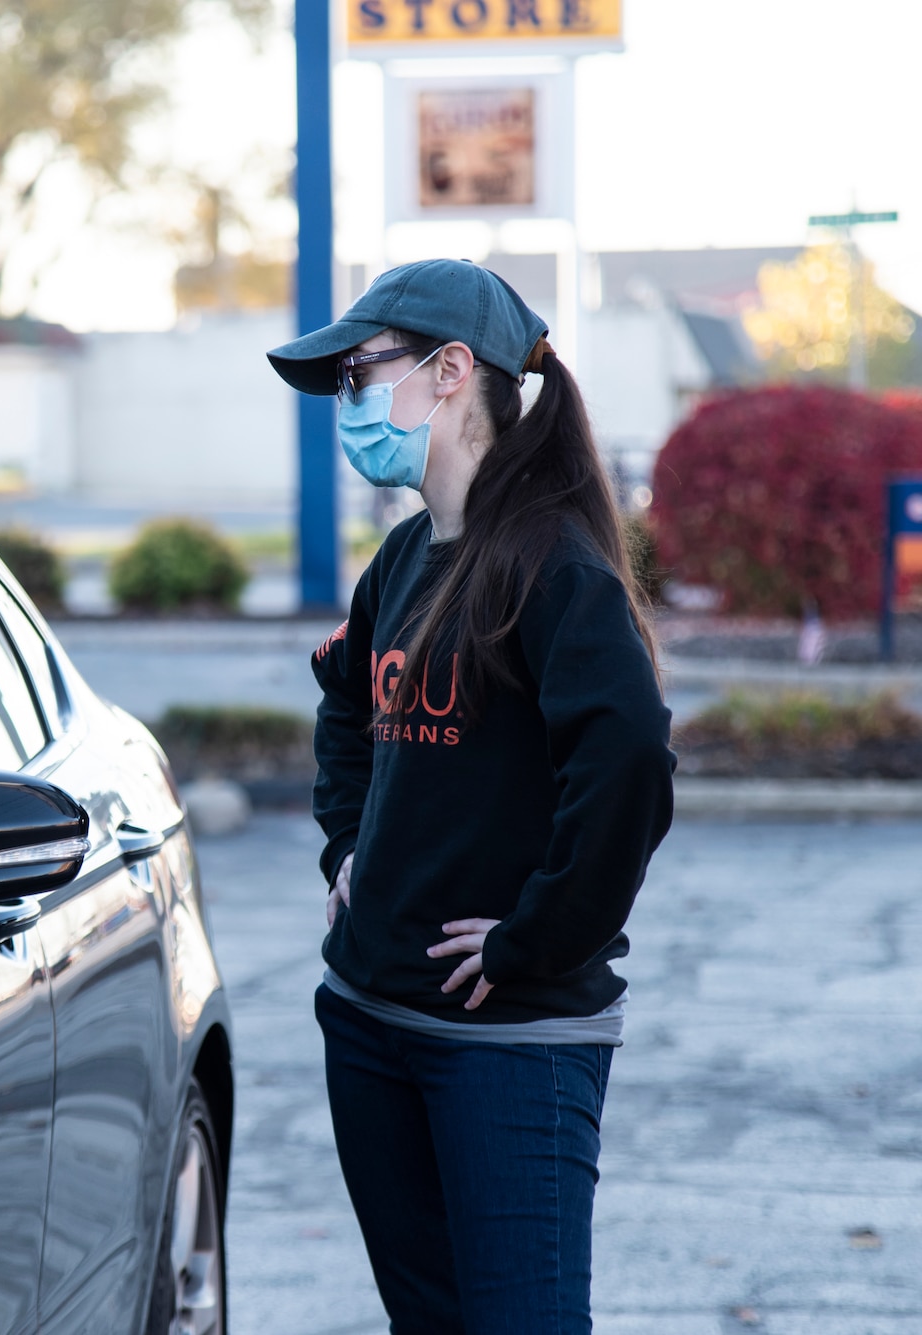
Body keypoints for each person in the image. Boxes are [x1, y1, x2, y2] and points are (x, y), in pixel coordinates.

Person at [268, 259, 675, 1333]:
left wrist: (530, 943)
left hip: (506, 1049)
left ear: (449, 373)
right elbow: (344, 709)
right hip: (366, 1023)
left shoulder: (554, 569)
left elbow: (627, 765)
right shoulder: (401, 561)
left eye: (359, 374)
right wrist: (345, 848)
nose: (347, 404)